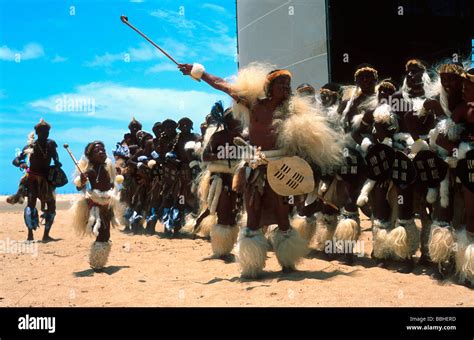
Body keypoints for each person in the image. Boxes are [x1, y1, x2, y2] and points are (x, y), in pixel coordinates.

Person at [178, 62, 342, 278]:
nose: (286, 88)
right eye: (282, 84)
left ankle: (288, 262)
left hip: (280, 168)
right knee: (253, 213)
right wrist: (198, 72)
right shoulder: (253, 103)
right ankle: (252, 266)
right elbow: (222, 85)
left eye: (288, 84)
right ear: (269, 87)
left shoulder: (291, 112)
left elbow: (306, 143)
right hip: (255, 168)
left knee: (283, 216)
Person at [71, 141, 123, 270]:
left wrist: (118, 173)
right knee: (101, 232)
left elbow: (113, 183)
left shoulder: (108, 167)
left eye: (103, 149)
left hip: (107, 204)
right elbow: (80, 187)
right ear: (90, 156)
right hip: (95, 206)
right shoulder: (90, 170)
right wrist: (82, 180)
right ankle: (97, 263)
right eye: (97, 151)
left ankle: (98, 261)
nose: (101, 152)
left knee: (106, 234)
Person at [11, 118, 61, 242]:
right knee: (31, 206)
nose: (45, 134)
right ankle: (30, 235)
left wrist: (57, 165)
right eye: (43, 132)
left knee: (51, 207)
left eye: (47, 132)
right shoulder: (30, 146)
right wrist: (22, 164)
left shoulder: (51, 145)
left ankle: (46, 235)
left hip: (46, 180)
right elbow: (15, 160)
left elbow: (56, 159)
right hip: (32, 179)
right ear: (37, 133)